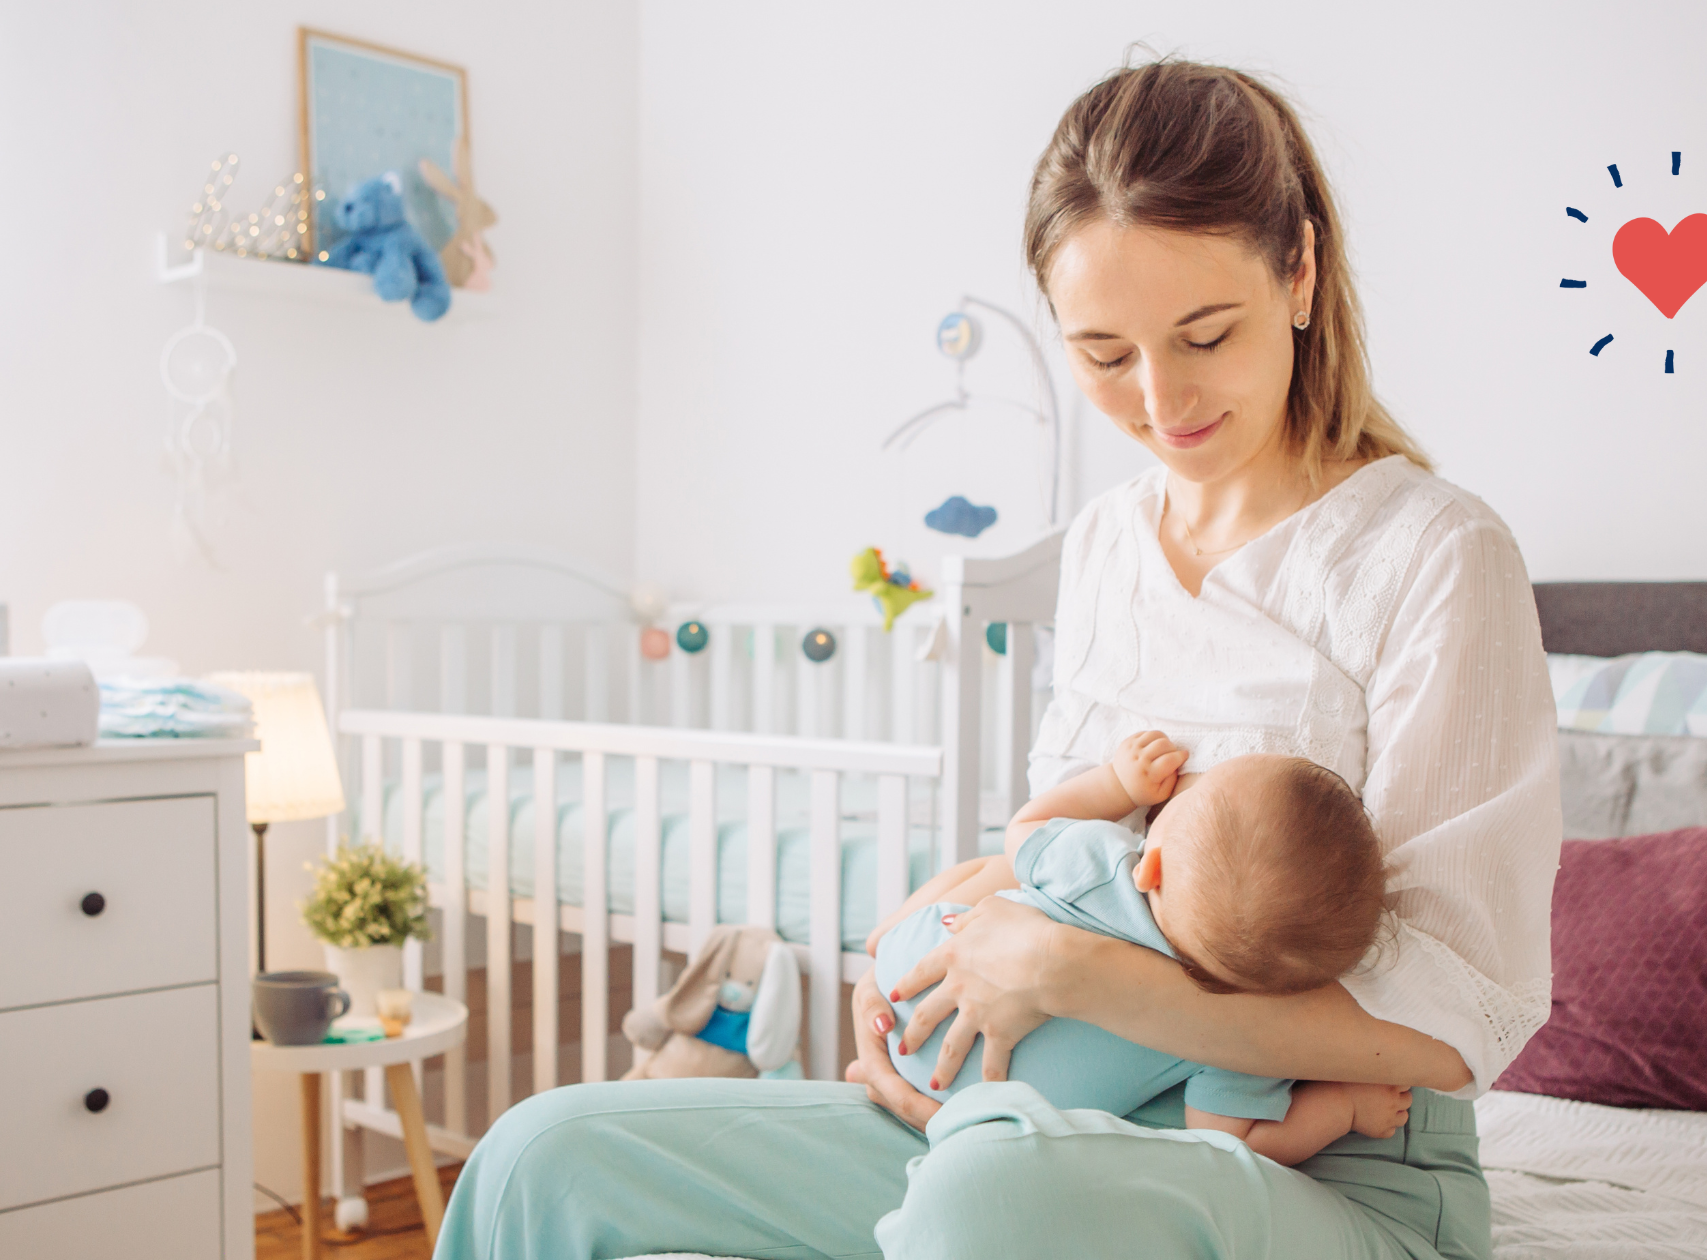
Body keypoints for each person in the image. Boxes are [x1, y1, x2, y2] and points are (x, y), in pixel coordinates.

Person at [434, 59, 1559, 1260]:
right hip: (1031, 1113)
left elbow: (1456, 1018)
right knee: (538, 1158)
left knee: (992, 1206)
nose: (1159, 397)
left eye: (1202, 334)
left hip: (1321, 1168)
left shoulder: (1432, 553)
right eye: (1102, 352)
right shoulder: (1105, 548)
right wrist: (935, 940)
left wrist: (1071, 975)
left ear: (1298, 272)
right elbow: (1072, 852)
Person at [872, 731, 1416, 1166]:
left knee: (983, 870)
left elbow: (1024, 827)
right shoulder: (1243, 1033)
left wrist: (1118, 786)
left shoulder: (1102, 861)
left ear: (1150, 864)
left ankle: (884, 934)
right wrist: (1343, 1107)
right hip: (995, 1119)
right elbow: (1232, 1145)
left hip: (904, 988)